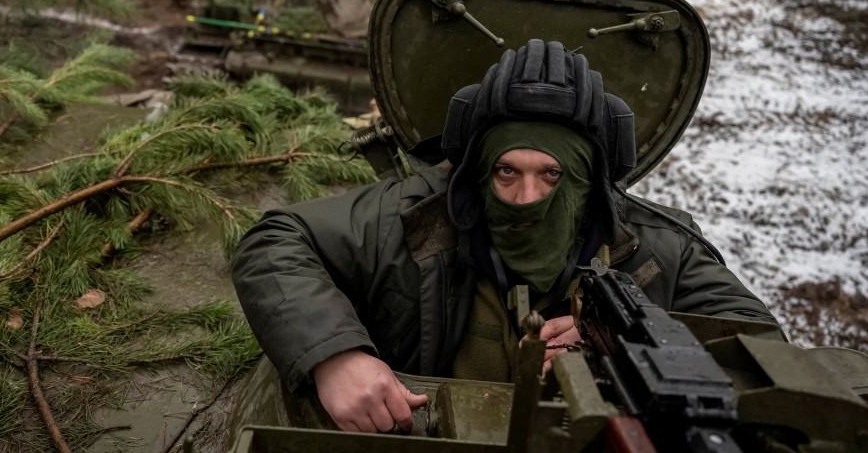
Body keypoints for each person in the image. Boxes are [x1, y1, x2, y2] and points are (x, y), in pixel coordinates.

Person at [231, 39, 781, 434]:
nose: (524, 199)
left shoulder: (658, 249)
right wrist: (336, 357)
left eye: (552, 175)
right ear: (480, 171)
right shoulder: (419, 215)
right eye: (506, 171)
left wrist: (631, 346)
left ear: (588, 181)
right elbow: (277, 239)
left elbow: (760, 346)